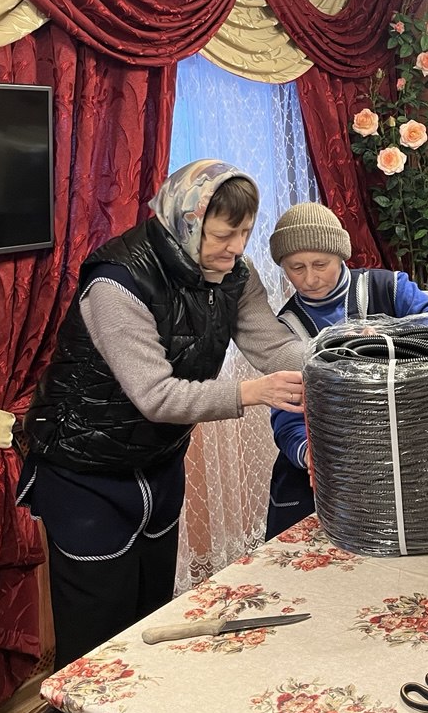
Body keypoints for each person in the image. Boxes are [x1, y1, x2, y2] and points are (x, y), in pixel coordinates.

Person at [18, 159, 307, 668]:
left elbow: (275, 349)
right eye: (224, 235)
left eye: (244, 233)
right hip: (84, 471)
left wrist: (345, 353)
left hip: (158, 462)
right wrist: (250, 393)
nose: (237, 248)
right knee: (96, 638)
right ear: (186, 221)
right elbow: (155, 396)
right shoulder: (117, 283)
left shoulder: (234, 275)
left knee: (151, 618)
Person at [264, 202, 428, 539]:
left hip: (407, 454)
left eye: (320, 264)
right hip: (327, 470)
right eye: (296, 268)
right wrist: (308, 453)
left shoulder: (389, 288)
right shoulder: (285, 328)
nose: (310, 278)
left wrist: (388, 340)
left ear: (341, 255)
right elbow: (286, 412)